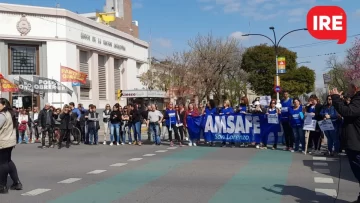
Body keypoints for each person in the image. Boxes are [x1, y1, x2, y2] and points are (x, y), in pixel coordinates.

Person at [330, 85, 360, 203]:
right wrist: (341, 101)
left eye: (349, 88)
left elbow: (348, 112)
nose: (348, 91)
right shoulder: (356, 100)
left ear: (356, 88)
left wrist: (336, 98)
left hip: (357, 143)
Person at [0, 98, 22, 193]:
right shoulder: (10, 113)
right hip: (9, 141)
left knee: (2, 164)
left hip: (3, 141)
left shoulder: (2, 115)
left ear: (4, 104)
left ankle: (2, 186)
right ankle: (17, 182)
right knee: (8, 161)